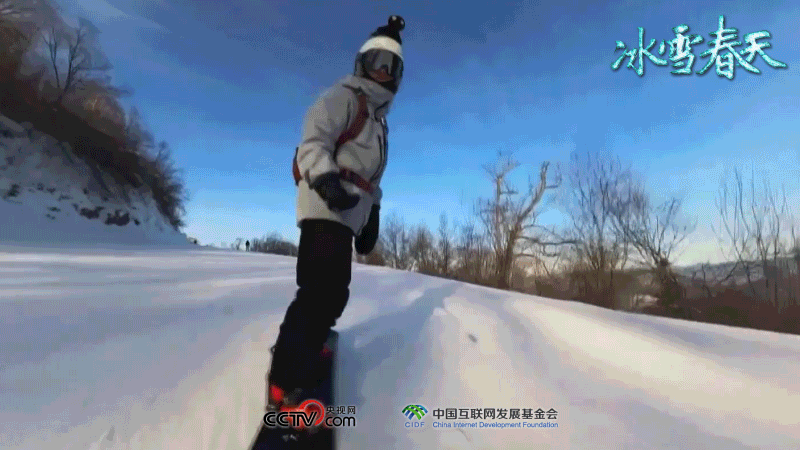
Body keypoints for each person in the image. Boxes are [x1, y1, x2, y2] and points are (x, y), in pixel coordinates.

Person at [267, 15, 405, 411]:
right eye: (377, 61)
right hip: (325, 204)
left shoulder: (379, 124)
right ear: (362, 62)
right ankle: (286, 380)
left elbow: (372, 179)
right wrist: (326, 180)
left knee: (332, 294)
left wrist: (373, 213)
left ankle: (305, 344)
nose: (383, 72)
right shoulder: (344, 96)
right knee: (320, 292)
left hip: (348, 214)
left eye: (391, 66)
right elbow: (313, 141)